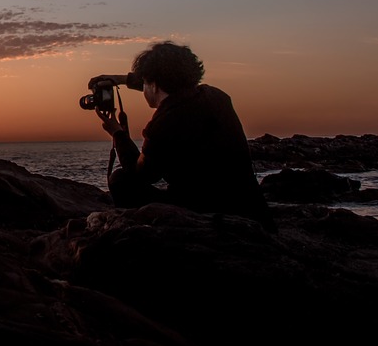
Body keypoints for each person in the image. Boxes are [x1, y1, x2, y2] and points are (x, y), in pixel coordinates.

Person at [95, 41, 275, 231]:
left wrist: (117, 133)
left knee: (120, 180)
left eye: (146, 81)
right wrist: (121, 79)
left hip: (205, 215)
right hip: (251, 209)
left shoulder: (164, 123)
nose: (145, 87)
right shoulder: (216, 96)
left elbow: (141, 174)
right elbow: (171, 87)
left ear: (154, 84)